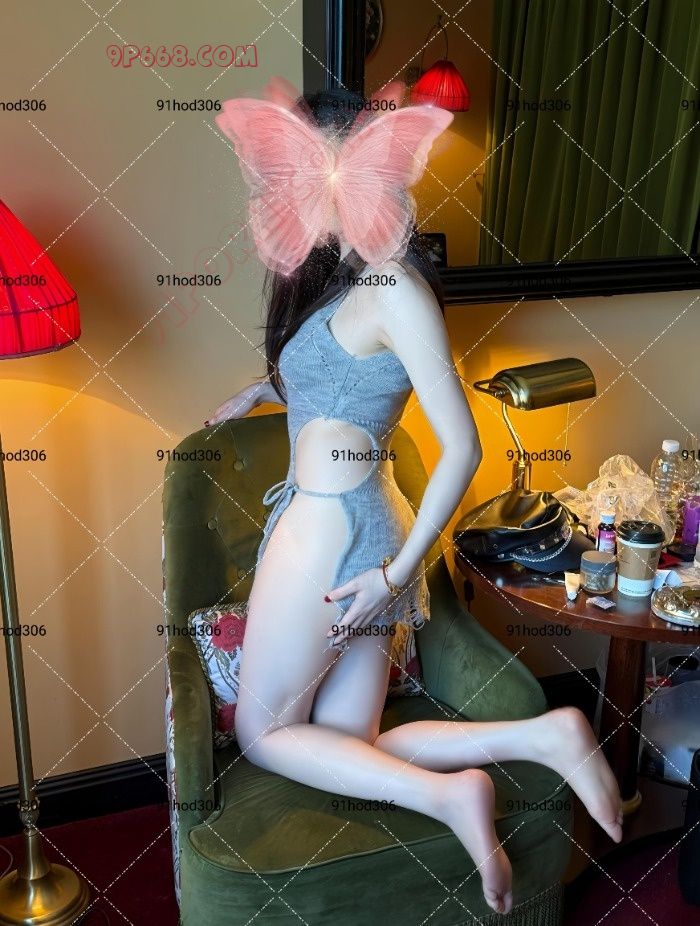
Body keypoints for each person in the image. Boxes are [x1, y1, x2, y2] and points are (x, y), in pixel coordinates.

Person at [206, 83, 623, 916]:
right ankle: (548, 734)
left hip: (331, 532)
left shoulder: (394, 286)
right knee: (349, 741)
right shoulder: (345, 281)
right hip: (361, 526)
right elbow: (347, 377)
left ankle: (451, 794)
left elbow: (464, 447)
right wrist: (269, 387)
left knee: (264, 732)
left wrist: (395, 574)